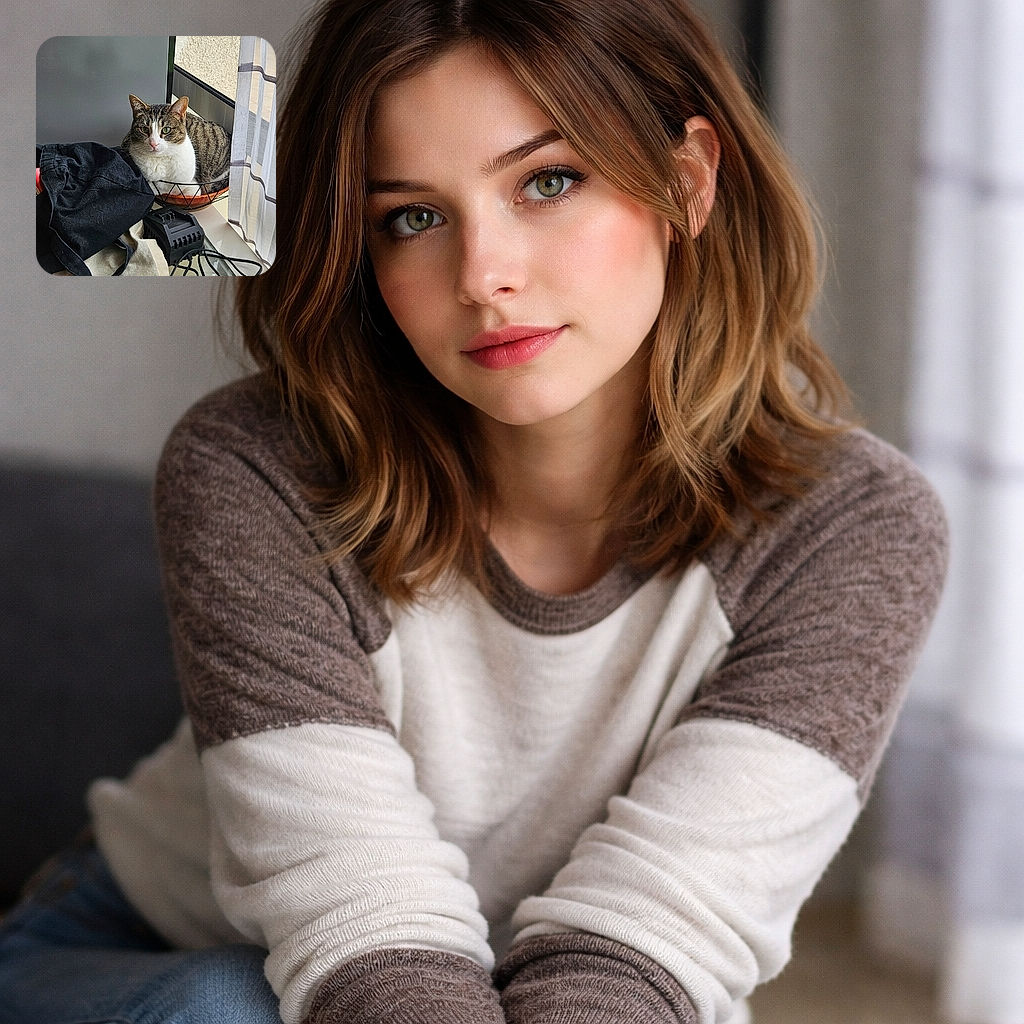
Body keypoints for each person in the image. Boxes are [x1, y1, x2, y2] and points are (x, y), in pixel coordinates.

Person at [0, 0, 949, 1021]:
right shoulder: (255, 468)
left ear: (687, 180)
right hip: (146, 950)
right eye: (412, 218)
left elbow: (649, 950)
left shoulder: (855, 531)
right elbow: (374, 945)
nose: (484, 277)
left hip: (529, 988)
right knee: (229, 1006)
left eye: (548, 181)